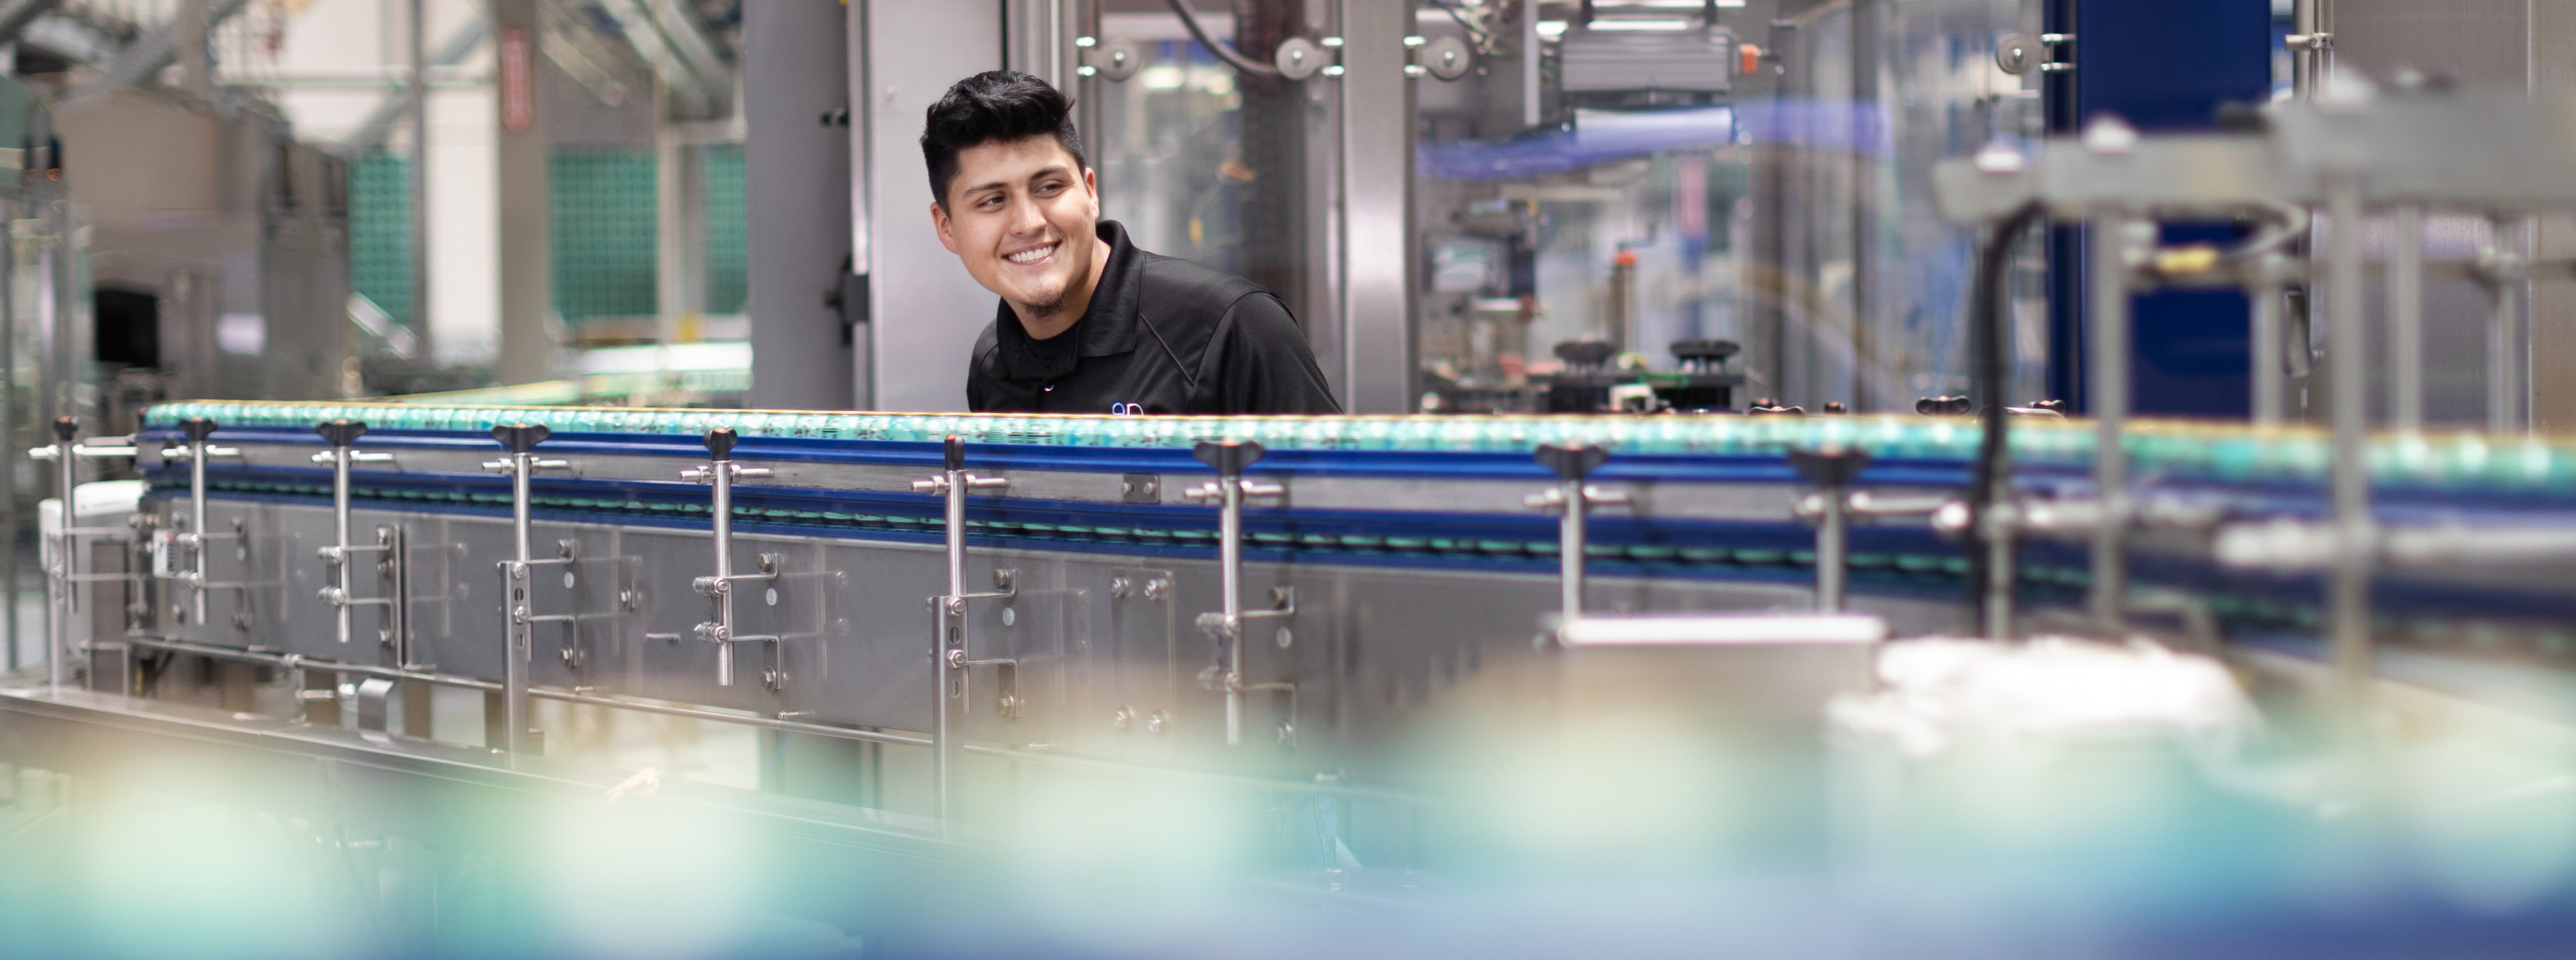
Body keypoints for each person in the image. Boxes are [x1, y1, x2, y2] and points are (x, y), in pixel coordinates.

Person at [922, 71, 1341, 415]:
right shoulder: (993, 360)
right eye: (992, 201)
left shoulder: (1232, 327)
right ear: (947, 227)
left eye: (1049, 187)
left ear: (1090, 192)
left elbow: (1338, 503)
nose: (1029, 223)